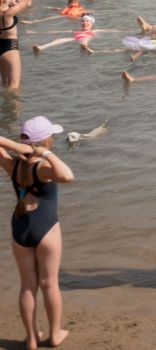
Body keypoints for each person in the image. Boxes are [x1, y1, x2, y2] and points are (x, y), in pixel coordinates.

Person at [1, 117, 74, 350]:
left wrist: (9, 144)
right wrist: (46, 153)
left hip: (20, 227)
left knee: (27, 286)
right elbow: (67, 176)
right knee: (49, 283)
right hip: (46, 227)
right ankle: (54, 335)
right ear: (45, 140)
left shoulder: (12, 165)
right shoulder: (43, 167)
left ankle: (31, 339)